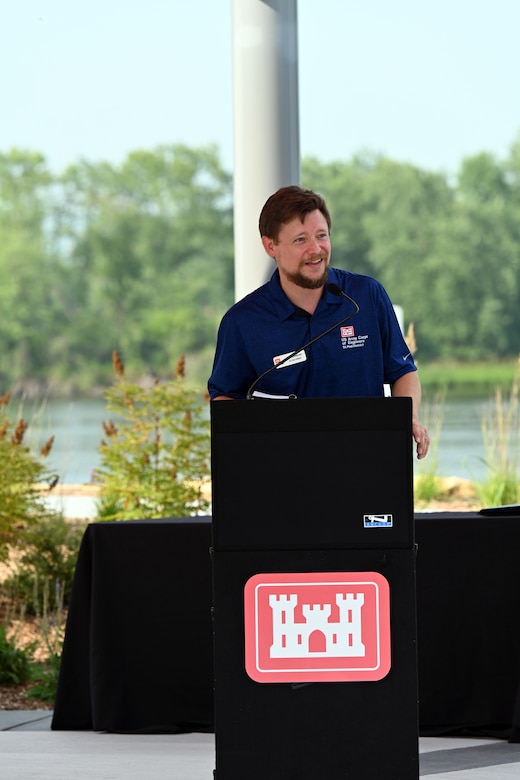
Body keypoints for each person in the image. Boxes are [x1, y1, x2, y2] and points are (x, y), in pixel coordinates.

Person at [208, 185, 429, 459]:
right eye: (300, 240)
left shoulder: (365, 296)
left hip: (368, 463)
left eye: (321, 236)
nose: (316, 250)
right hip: (282, 471)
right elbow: (225, 397)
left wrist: (407, 418)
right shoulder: (242, 321)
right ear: (270, 246)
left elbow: (402, 371)